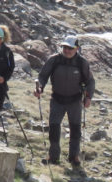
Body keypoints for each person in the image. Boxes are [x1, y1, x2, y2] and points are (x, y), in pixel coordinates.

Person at [34, 35, 94, 166]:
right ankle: (53, 156)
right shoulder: (54, 60)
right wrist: (40, 88)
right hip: (57, 99)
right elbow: (43, 76)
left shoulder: (82, 62)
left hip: (75, 100)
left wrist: (88, 97)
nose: (66, 50)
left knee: (75, 129)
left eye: (70, 48)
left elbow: (90, 81)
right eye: (64, 47)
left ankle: (74, 157)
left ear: (77, 48)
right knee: (54, 128)